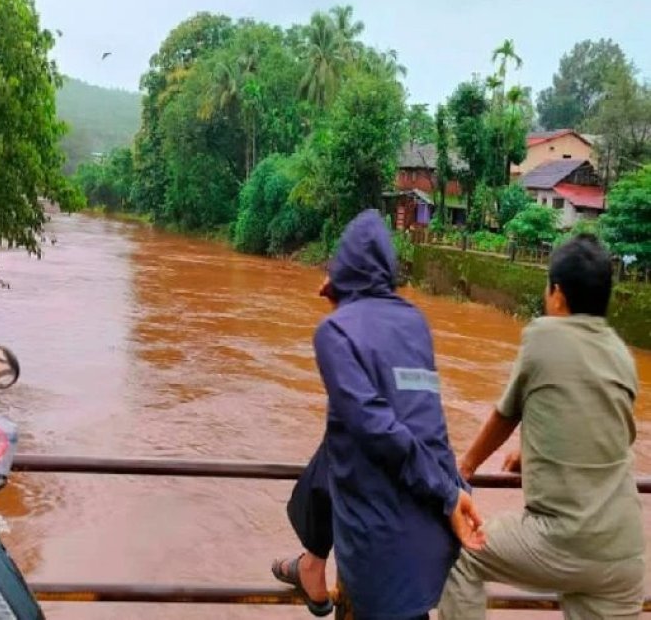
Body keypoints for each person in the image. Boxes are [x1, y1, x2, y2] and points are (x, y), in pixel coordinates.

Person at [272, 210, 484, 618]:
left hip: (378, 555)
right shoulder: (414, 321)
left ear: (341, 267)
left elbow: (376, 428)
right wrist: (451, 493)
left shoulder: (334, 333)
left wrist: (447, 494)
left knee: (348, 434)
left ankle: (312, 564)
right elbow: (414, 418)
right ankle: (312, 564)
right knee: (345, 432)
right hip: (433, 540)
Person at [438, 234, 645, 619]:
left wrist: (464, 467)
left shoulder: (543, 336)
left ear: (558, 294)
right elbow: (609, 432)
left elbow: (506, 414)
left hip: (561, 540)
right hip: (623, 552)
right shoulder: (622, 355)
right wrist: (532, 450)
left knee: (463, 555)